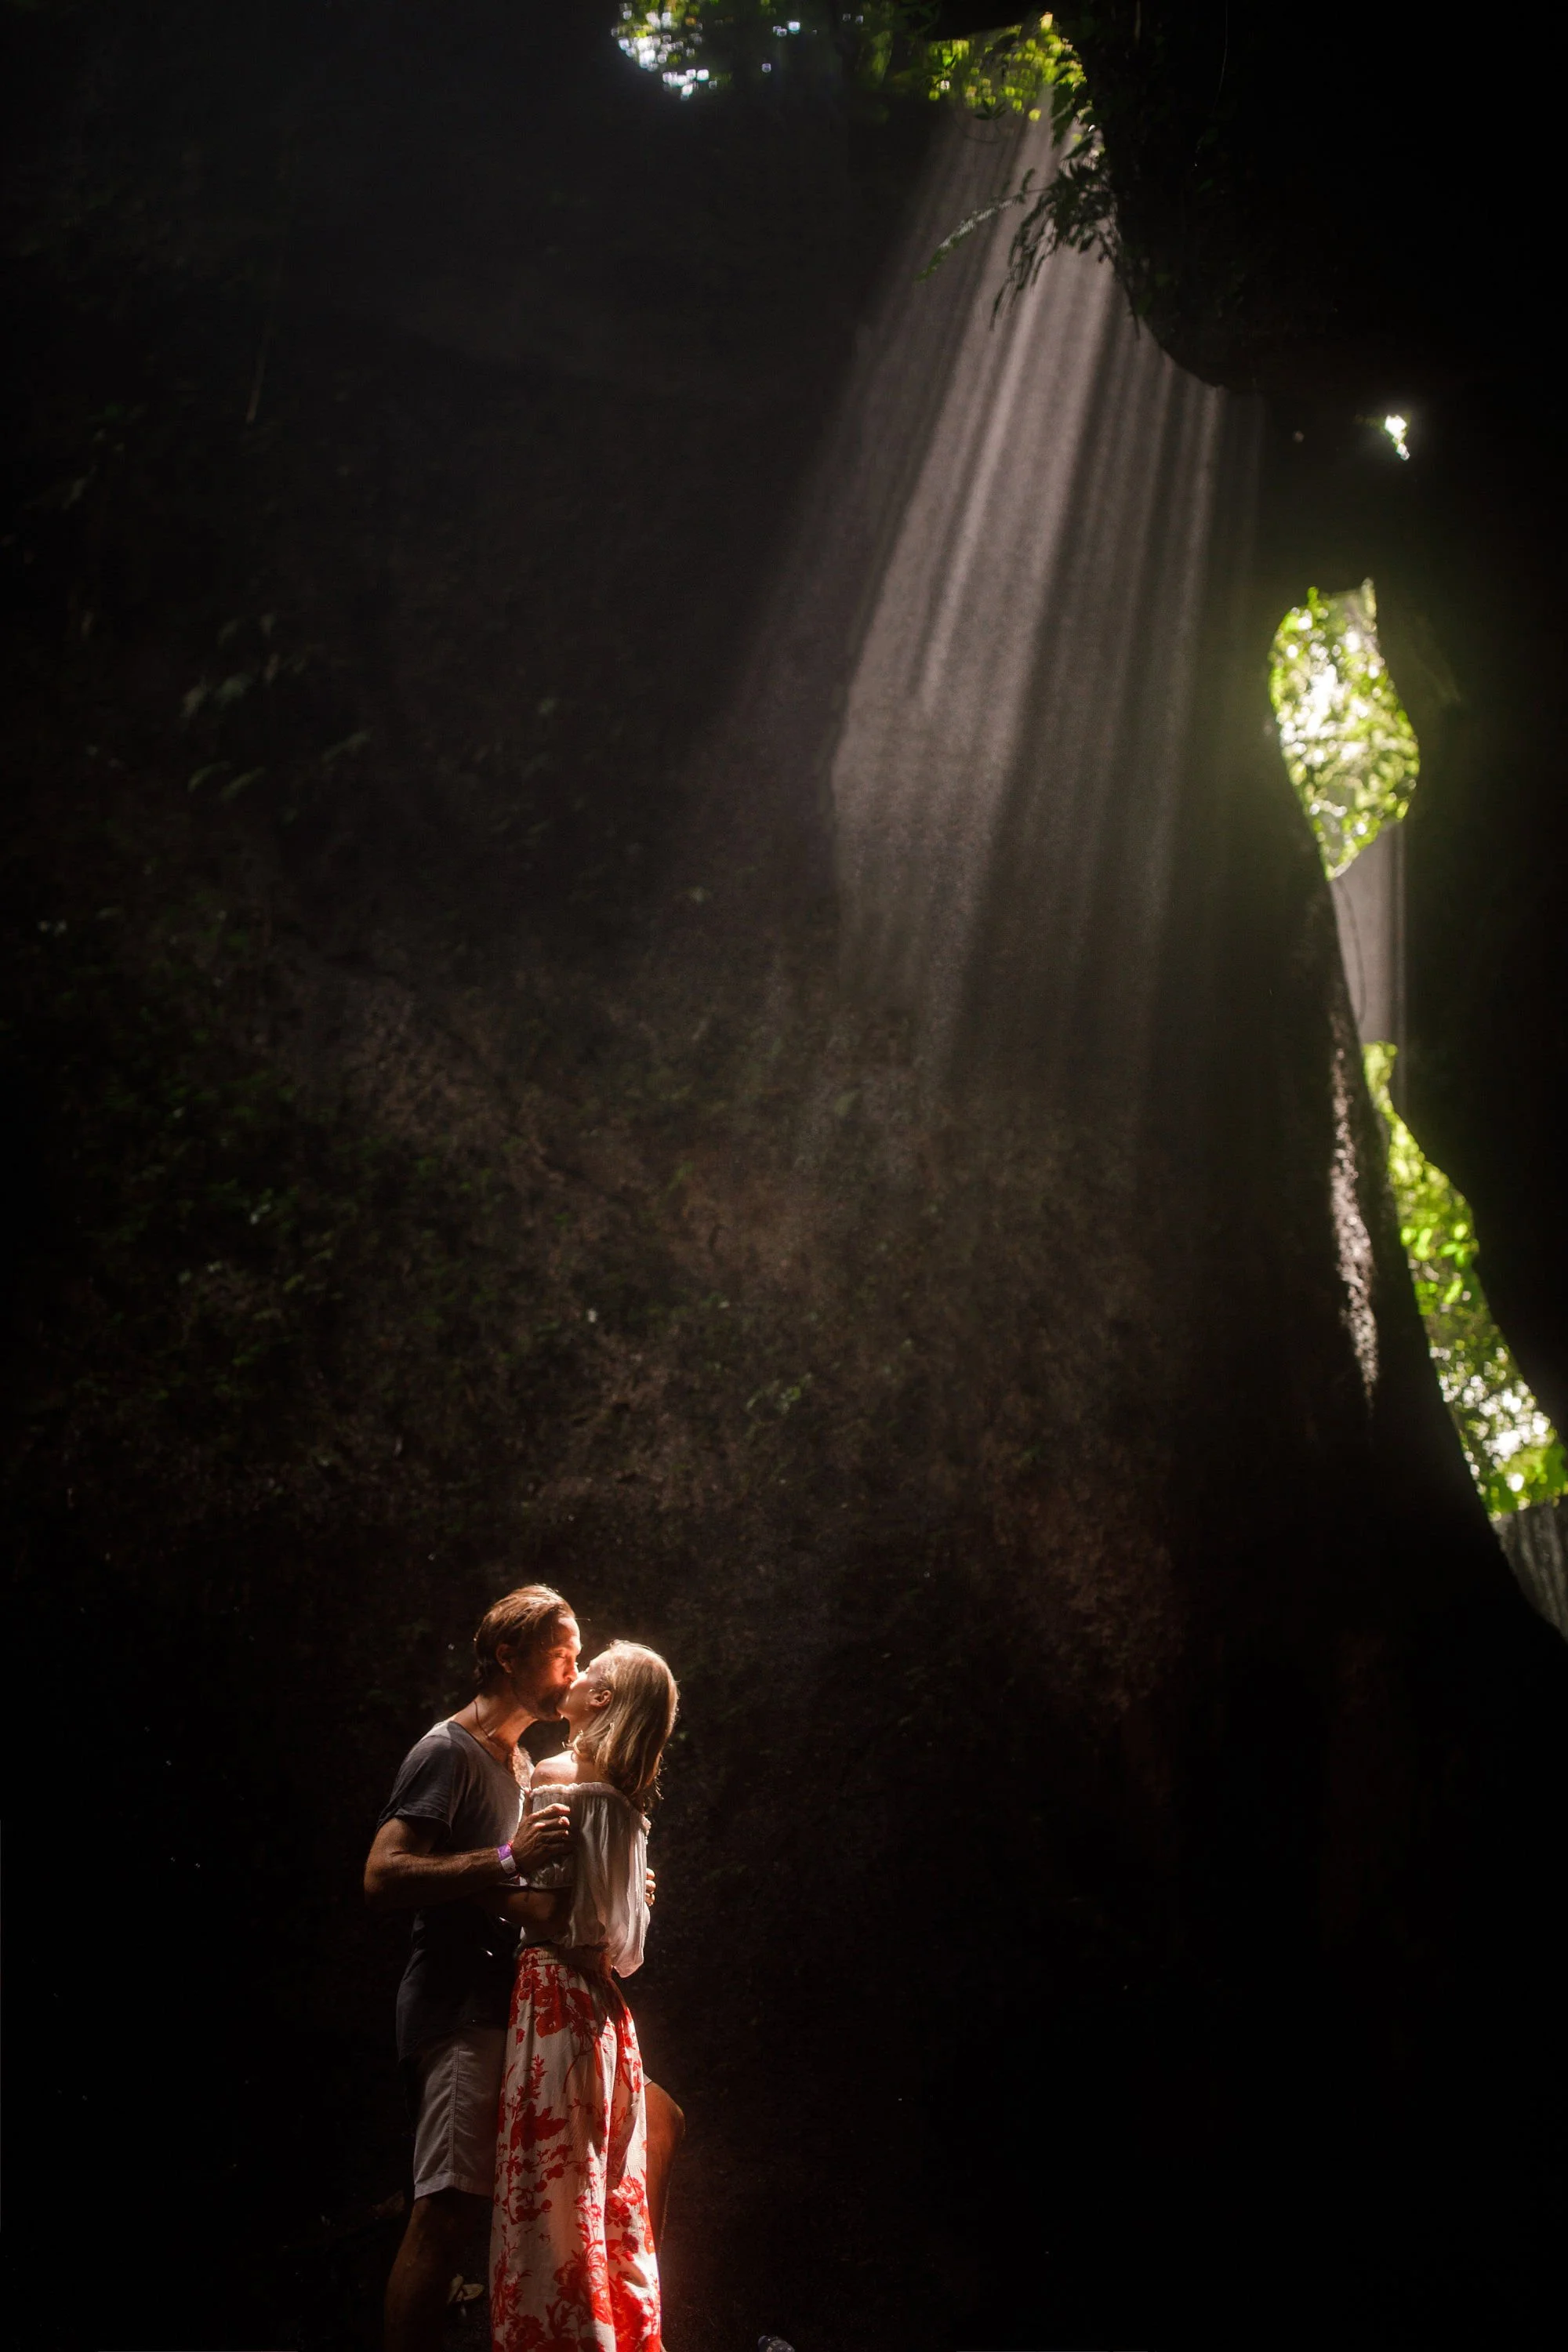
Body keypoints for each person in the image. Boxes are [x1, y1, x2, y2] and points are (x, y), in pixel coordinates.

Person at [365, 1586, 684, 2352]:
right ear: (508, 1656)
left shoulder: (525, 1762)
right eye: (561, 1652)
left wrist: (618, 1887)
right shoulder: (449, 1750)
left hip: (524, 1999)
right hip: (461, 2005)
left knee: (660, 2121)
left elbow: (558, 1888)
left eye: (581, 1657)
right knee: (446, 2204)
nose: (573, 1667)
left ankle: (608, 2313)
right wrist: (514, 1865)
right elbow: (383, 1874)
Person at [486, 1641, 681, 2352]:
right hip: (605, 2012)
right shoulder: (628, 1805)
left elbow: (543, 1911)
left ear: (600, 1700)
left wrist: (486, 1872)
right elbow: (626, 1951)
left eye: (587, 1669)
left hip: (552, 1999)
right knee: (602, 2201)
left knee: (551, 2198)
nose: (573, 1675)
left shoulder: (556, 1774)